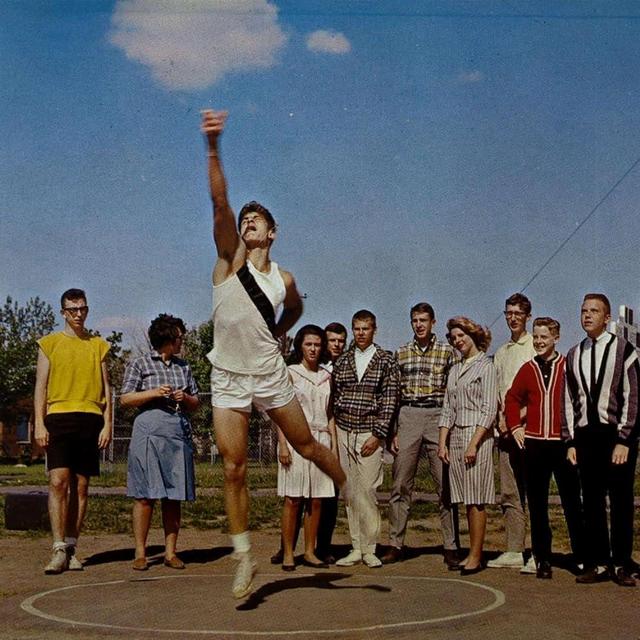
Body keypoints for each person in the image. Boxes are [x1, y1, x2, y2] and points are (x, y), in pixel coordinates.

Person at [200, 109, 345, 598]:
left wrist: (280, 331)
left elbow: (298, 308)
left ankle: (356, 494)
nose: (247, 222)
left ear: (273, 232)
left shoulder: (283, 279)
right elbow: (220, 201)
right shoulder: (228, 260)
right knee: (233, 467)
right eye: (245, 219)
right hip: (227, 375)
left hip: (268, 372)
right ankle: (244, 555)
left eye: (256, 219)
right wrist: (213, 146)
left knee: (308, 446)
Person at [563, 294, 639, 587]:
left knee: (620, 500)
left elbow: (633, 396)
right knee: (592, 501)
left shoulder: (624, 349)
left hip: (615, 435)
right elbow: (568, 401)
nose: (587, 315)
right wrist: (570, 441)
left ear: (607, 318)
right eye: (584, 310)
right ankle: (597, 562)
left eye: (594, 311)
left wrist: (625, 439)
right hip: (586, 437)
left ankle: (621, 563)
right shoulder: (573, 354)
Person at [34, 288, 112, 574]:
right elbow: (40, 387)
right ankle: (57, 549)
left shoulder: (99, 345)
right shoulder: (49, 344)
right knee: (58, 482)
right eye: (73, 310)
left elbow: (107, 389)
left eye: (82, 309)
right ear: (63, 312)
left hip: (90, 418)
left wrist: (108, 424)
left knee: (81, 486)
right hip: (58, 417)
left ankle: (71, 547)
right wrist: (39, 422)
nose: (78, 314)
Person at [381, 302, 460, 568]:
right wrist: (393, 430)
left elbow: (453, 392)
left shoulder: (448, 352)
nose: (419, 325)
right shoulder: (401, 353)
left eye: (423, 320)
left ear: (433, 322)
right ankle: (395, 544)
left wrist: (449, 428)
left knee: (445, 485)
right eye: (415, 320)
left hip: (438, 416)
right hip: (409, 415)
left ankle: (451, 545)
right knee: (400, 484)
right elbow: (393, 394)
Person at [505, 317, 585, 579]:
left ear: (556, 338)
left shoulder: (569, 366)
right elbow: (512, 398)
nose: (539, 342)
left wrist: (575, 440)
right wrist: (515, 426)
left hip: (563, 445)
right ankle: (542, 558)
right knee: (537, 505)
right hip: (535, 445)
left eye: (544, 337)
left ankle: (581, 556)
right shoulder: (528, 369)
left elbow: (580, 401)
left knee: (572, 502)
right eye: (536, 337)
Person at [120, 314, 199, 571]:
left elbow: (196, 402)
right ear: (167, 338)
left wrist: (185, 398)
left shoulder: (183, 367)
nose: (181, 341)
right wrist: (154, 393)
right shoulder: (140, 363)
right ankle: (140, 553)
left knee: (174, 496)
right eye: (179, 337)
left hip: (176, 433)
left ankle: (170, 553)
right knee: (144, 495)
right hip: (148, 431)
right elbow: (125, 398)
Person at [271, 321, 348, 566]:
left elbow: (330, 414)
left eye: (317, 344)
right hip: (295, 440)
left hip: (321, 440)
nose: (313, 349)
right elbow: (279, 411)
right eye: (308, 344)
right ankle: (287, 553)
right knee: (293, 499)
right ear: (300, 346)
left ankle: (309, 551)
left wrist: (333, 446)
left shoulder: (327, 376)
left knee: (317, 499)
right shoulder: (290, 372)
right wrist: (283, 445)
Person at [333, 310, 400, 568]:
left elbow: (390, 399)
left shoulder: (385, 360)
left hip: (369, 433)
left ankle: (370, 548)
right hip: (344, 430)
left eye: (366, 328)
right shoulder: (343, 360)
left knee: (369, 491)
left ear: (374, 330)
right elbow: (336, 394)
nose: (361, 333)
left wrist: (378, 434)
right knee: (351, 492)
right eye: (357, 329)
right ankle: (356, 547)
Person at [438, 317, 497, 575]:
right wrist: (443, 442)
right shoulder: (454, 369)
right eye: (453, 338)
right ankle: (471, 553)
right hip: (457, 436)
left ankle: (476, 555)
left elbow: (489, 409)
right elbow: (447, 408)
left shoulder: (486, 366)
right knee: (464, 498)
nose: (457, 341)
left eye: (461, 335)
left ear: (473, 335)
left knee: (476, 499)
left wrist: (474, 443)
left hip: (478, 436)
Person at [489, 293, 536, 572]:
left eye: (518, 313)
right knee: (510, 492)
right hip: (505, 433)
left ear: (528, 316)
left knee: (533, 491)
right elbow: (498, 393)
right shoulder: (502, 352)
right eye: (509, 313)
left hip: (530, 431)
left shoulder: (534, 346)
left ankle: (538, 552)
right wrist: (501, 420)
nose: (513, 318)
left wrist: (516, 420)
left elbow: (537, 394)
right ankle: (514, 549)